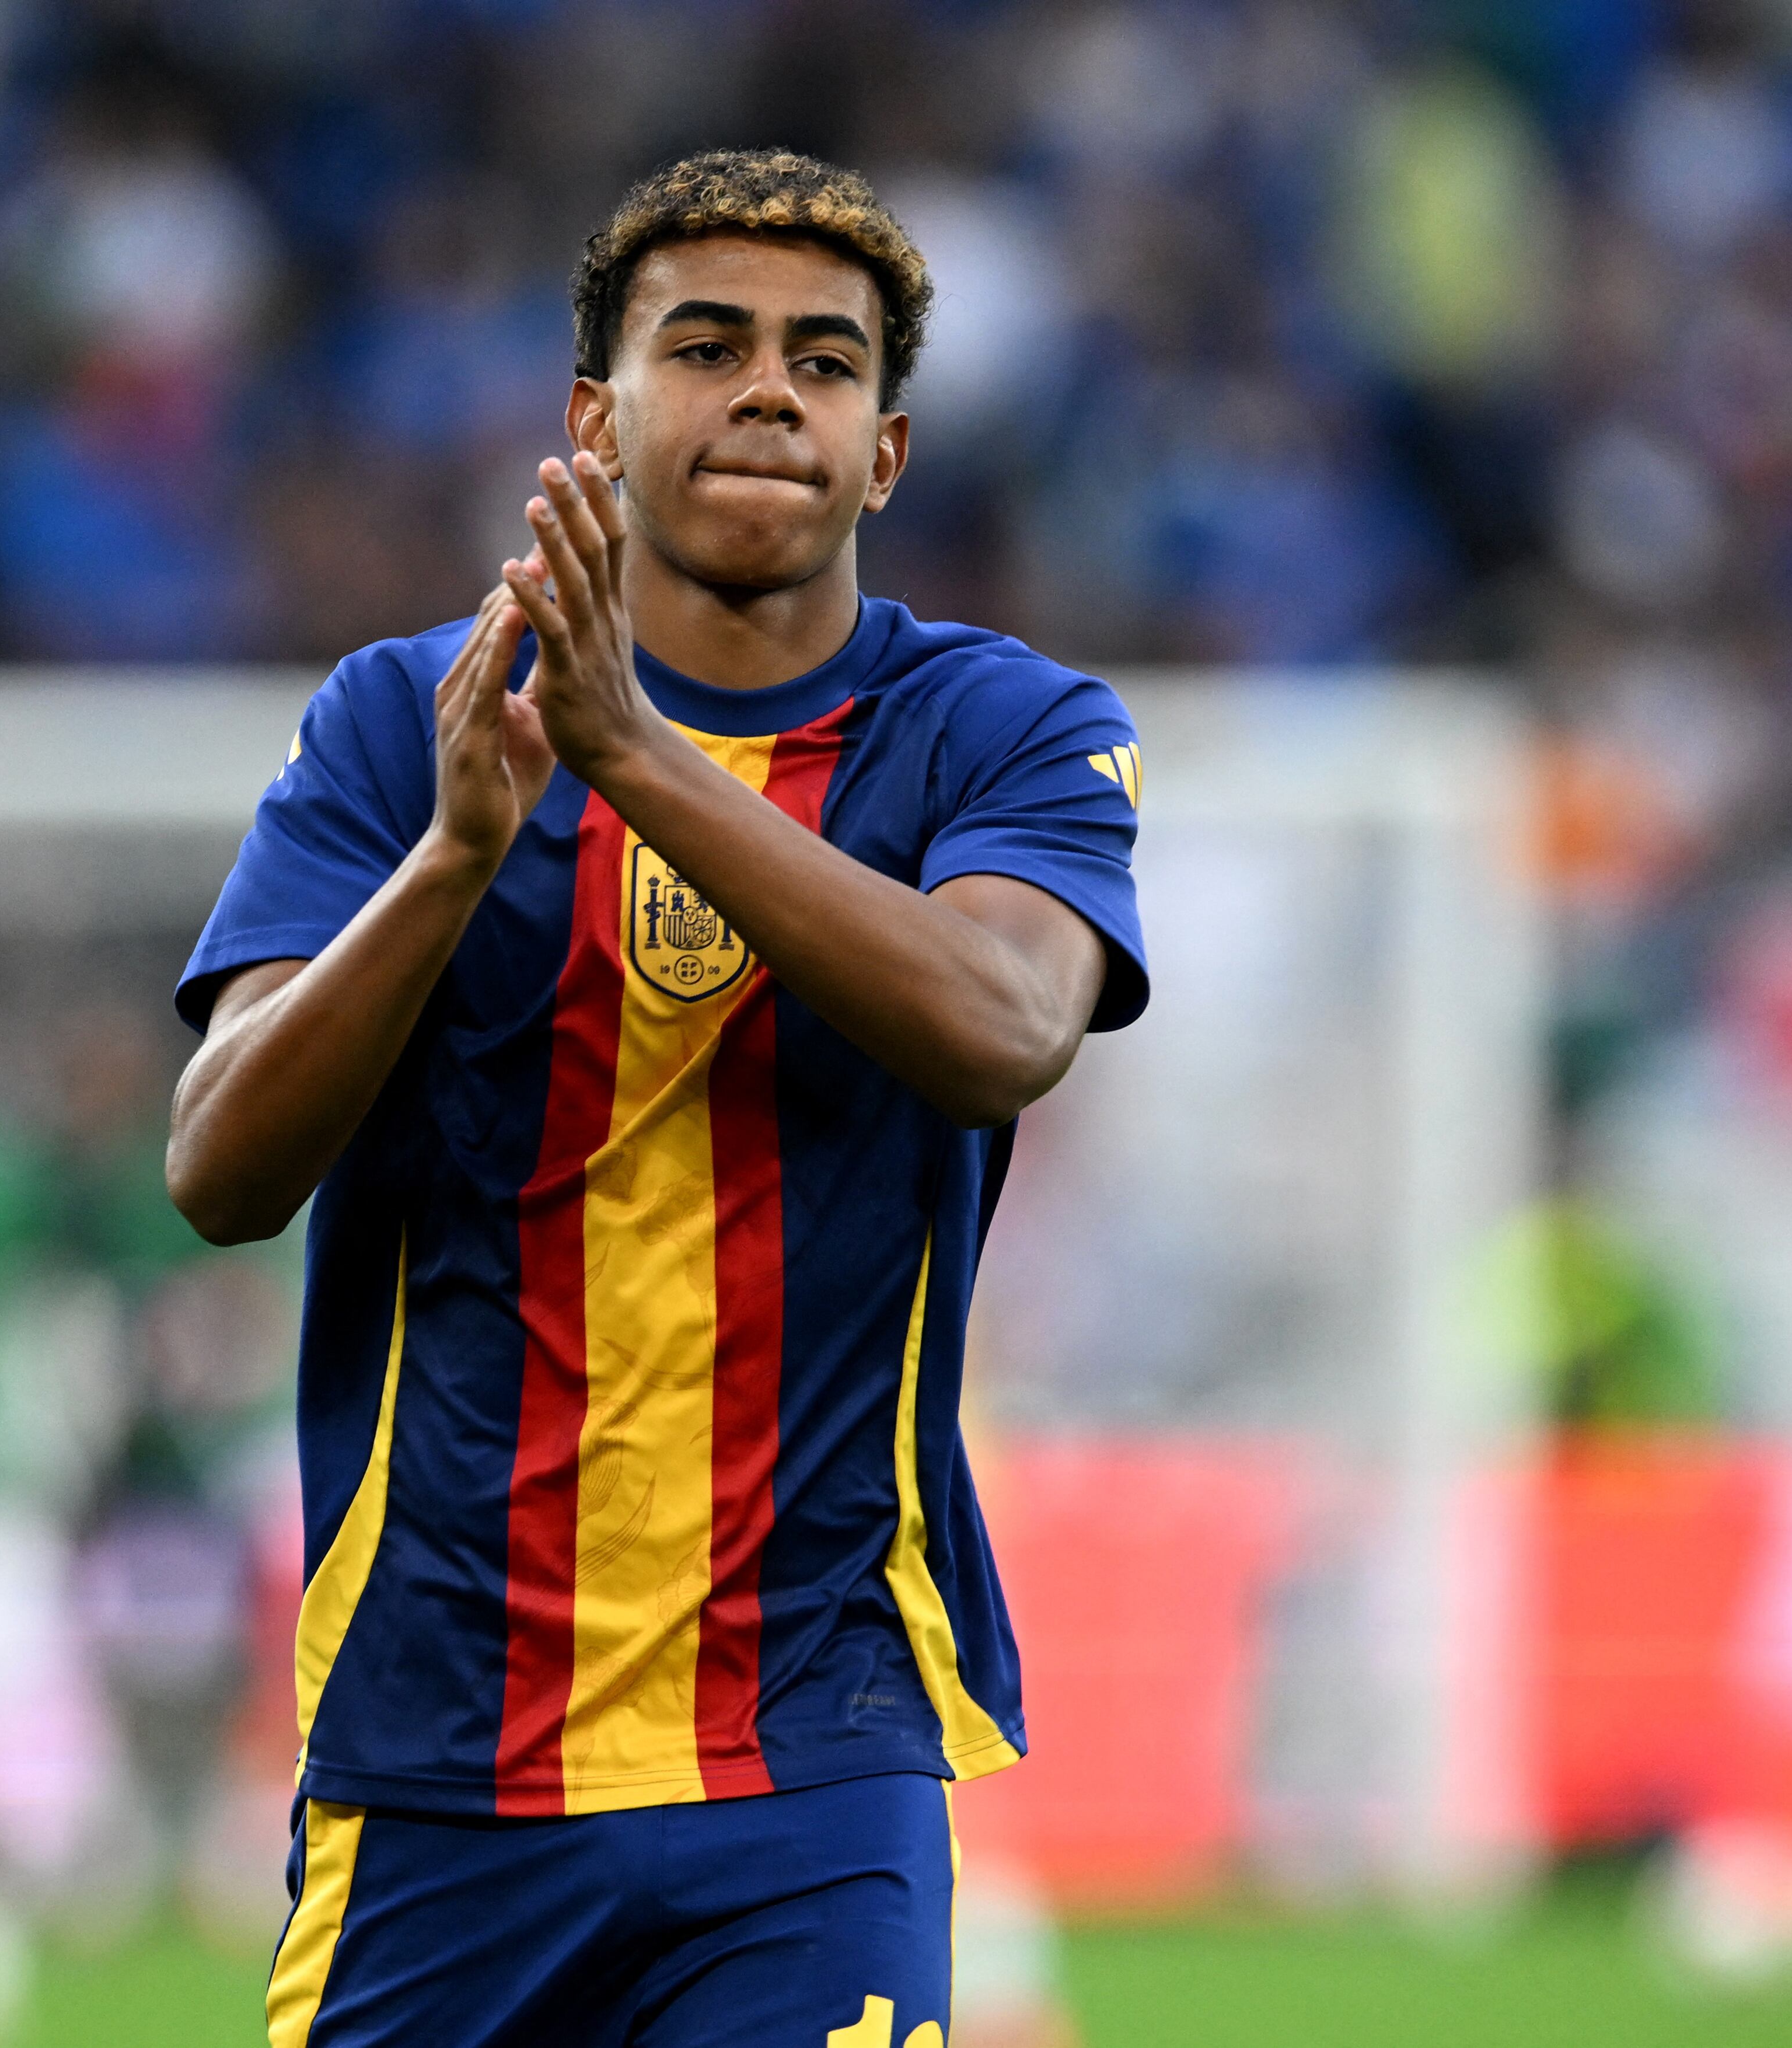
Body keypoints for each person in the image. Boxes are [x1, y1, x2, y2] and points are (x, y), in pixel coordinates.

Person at [165, 149, 1150, 2048]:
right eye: (709, 347)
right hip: (444, 1744)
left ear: (889, 451)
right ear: (598, 421)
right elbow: (218, 1165)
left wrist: (633, 759)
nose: (772, 389)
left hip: (814, 1748)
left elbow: (1003, 1022)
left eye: (826, 362)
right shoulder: (406, 719)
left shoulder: (1002, 727)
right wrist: (454, 858)